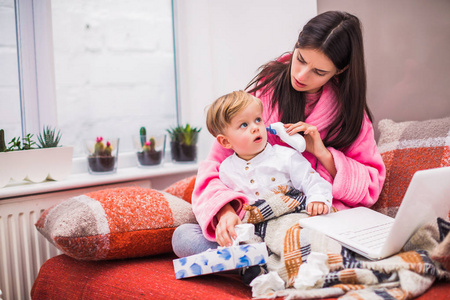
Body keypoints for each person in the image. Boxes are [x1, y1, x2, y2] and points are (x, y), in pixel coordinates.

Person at [172, 11, 386, 258]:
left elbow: (371, 185)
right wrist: (225, 212)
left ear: (340, 70)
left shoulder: (350, 113)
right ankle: (272, 259)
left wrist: (322, 153)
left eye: (318, 72)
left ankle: (261, 261)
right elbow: (215, 164)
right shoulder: (263, 92)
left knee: (323, 240)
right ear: (296, 44)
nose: (301, 75)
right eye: (301, 59)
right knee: (183, 237)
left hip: (314, 218)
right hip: (255, 219)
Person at [207, 90, 333, 216]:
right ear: (225, 141)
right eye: (244, 124)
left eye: (257, 120)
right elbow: (226, 200)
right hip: (255, 224)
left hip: (291, 215)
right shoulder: (226, 170)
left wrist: (318, 199)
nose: (256, 127)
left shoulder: (286, 156)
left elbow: (311, 180)